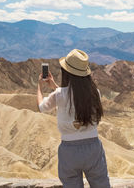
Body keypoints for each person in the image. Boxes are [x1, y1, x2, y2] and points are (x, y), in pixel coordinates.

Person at [37, 49, 111, 188]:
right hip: (93, 148)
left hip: (69, 151)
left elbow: (42, 107)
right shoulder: (95, 93)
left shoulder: (59, 95)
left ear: (67, 72)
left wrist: (40, 87)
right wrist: (54, 86)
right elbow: (74, 97)